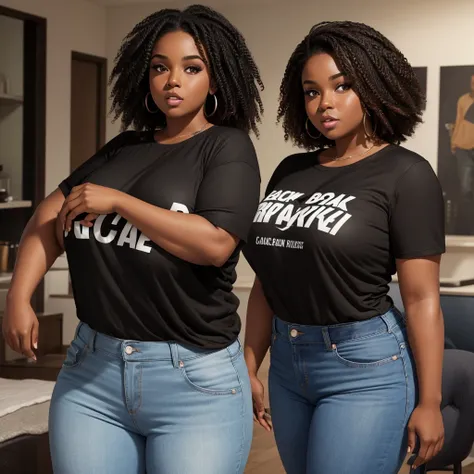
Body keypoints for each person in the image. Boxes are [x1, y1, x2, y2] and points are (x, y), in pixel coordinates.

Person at [2, 5, 263, 474]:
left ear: (216, 78)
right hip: (92, 374)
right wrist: (18, 297)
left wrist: (121, 203)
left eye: (191, 67)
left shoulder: (227, 148)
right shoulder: (123, 148)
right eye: (160, 67)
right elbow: (48, 213)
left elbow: (215, 243)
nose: (173, 81)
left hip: (193, 381)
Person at [243, 21, 445, 474]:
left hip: (365, 367)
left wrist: (430, 402)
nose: (325, 103)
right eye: (312, 91)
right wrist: (249, 362)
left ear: (374, 86)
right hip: (288, 363)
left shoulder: (406, 174)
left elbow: (421, 297)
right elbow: (268, 279)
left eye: (342, 86)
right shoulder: (291, 170)